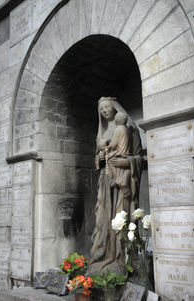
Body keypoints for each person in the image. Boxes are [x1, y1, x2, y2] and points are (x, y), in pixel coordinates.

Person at [88, 96, 143, 275]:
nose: (104, 111)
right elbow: (101, 157)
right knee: (104, 216)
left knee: (121, 216)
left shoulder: (129, 129)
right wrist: (101, 158)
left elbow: (139, 158)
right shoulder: (103, 131)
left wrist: (127, 164)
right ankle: (105, 255)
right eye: (101, 109)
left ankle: (121, 258)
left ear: (115, 108)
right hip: (106, 181)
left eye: (107, 107)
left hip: (122, 181)